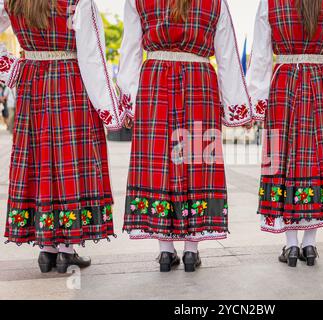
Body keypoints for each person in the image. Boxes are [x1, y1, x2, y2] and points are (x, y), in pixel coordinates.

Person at [117, 0, 251, 272]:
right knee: (197, 162)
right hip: (199, 80)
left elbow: (129, 50)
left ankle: (166, 251)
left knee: (159, 165)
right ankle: (191, 250)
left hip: (154, 81)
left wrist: (129, 100)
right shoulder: (216, 3)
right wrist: (238, 104)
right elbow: (227, 55)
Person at [0, 0, 124, 273]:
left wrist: (11, 68)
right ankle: (66, 250)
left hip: (32, 82)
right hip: (70, 83)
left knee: (41, 161)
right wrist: (111, 109)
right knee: (70, 164)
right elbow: (93, 58)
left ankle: (47, 251)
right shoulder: (77, 2)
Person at [247, 0, 323, 267]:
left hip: (284, 84)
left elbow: (260, 56)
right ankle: (310, 244)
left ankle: (291, 245)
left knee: (282, 162)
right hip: (321, 84)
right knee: (317, 163)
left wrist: (255, 101)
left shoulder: (271, 3)